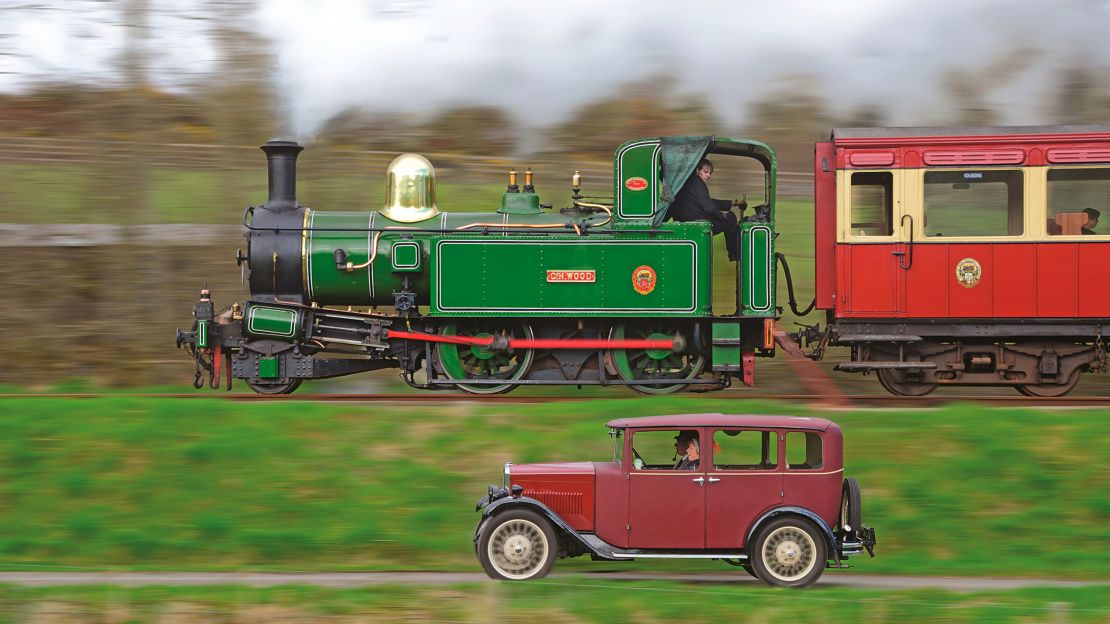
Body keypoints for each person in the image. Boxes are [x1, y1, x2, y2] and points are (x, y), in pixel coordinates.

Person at [668, 158, 746, 261]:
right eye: (705, 172)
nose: (708, 175)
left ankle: (734, 254)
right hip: (698, 223)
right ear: (697, 170)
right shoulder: (698, 183)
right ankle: (734, 254)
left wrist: (733, 203)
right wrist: (721, 215)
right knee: (731, 218)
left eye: (710, 173)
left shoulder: (687, 183)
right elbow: (708, 207)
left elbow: (709, 201)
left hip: (687, 222)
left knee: (727, 216)